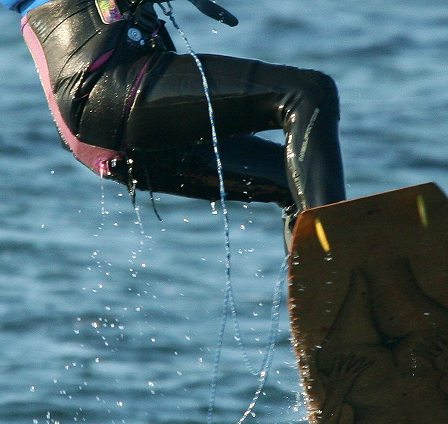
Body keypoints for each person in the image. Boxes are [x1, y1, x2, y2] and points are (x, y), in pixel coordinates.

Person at [1, 0, 346, 245]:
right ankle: (341, 260)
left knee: (295, 180)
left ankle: (327, 309)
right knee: (307, 94)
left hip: (100, 119)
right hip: (107, 88)